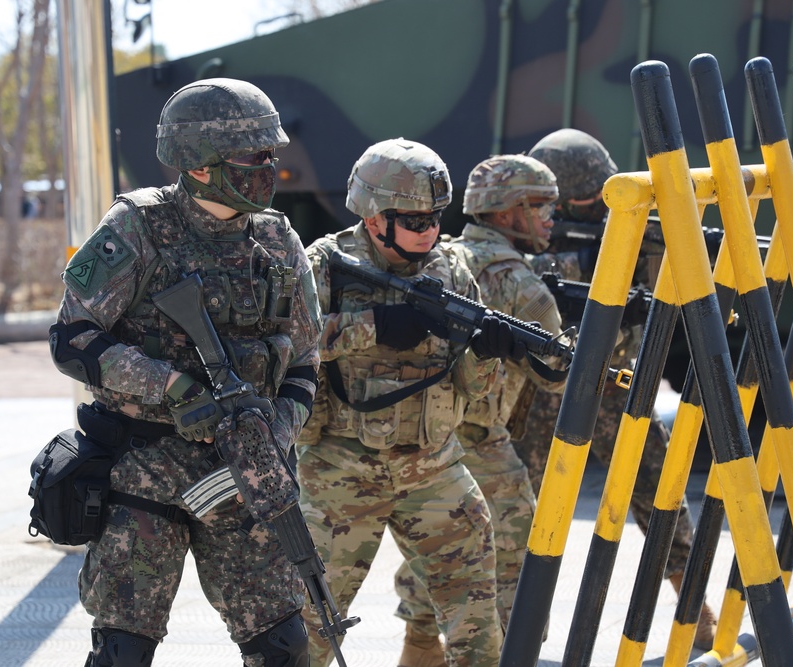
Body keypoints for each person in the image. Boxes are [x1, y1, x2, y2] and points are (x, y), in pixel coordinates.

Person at [50, 77, 322, 666]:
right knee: (123, 652)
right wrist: (170, 387)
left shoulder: (277, 239)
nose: (268, 168)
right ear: (198, 164)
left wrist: (276, 433)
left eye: (271, 155)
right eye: (253, 156)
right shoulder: (137, 227)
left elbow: (305, 358)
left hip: (242, 479)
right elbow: (71, 339)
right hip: (144, 480)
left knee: (284, 646)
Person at [297, 138, 518, 667]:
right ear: (374, 219)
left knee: (476, 625)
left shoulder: (452, 272)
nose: (430, 232)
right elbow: (284, 347)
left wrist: (485, 354)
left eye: (436, 219)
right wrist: (374, 327)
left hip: (434, 467)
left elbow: (474, 390)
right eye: (415, 221)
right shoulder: (324, 266)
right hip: (340, 471)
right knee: (306, 629)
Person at [522, 128, 718, 649]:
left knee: (660, 496)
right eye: (576, 206)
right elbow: (513, 278)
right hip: (541, 394)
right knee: (522, 511)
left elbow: (664, 287)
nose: (589, 215)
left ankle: (696, 613)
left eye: (594, 204)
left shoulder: (633, 226)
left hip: (617, 387)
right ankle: (522, 632)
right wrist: (581, 268)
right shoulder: (527, 235)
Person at [391, 154, 567, 666]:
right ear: (508, 213)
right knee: (516, 542)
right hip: (478, 435)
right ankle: (515, 653)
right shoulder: (518, 281)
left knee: (436, 543)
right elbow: (555, 373)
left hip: (425, 429)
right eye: (541, 206)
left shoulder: (442, 253)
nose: (550, 218)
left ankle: (419, 650)